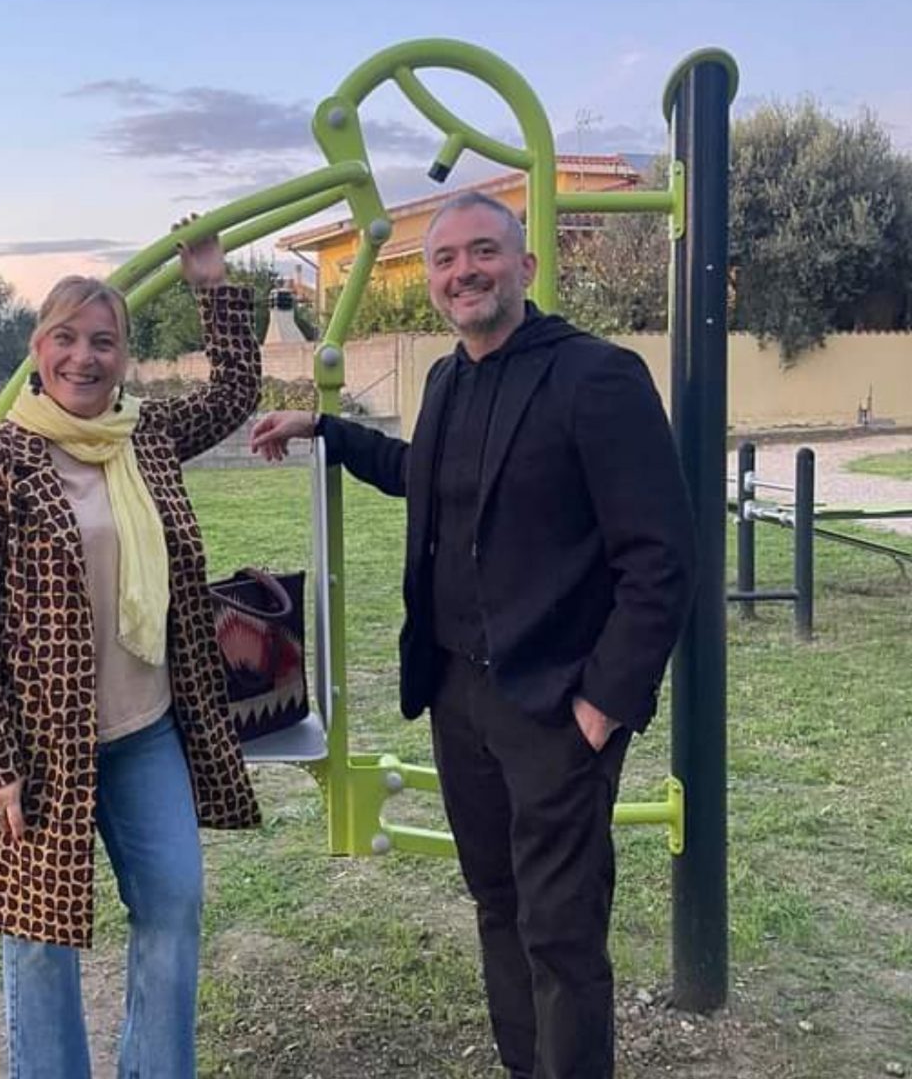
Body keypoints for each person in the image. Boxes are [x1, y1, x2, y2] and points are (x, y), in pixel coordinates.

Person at [247, 192, 694, 1078]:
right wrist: (325, 428)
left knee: (560, 932)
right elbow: (429, 474)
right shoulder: (448, 378)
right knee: (495, 901)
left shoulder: (596, 377)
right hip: (458, 694)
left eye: (482, 252)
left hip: (556, 705)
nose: (463, 273)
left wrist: (604, 704)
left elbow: (662, 559)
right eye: (446, 260)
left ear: (524, 268)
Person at [0, 237, 262, 1079]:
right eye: (67, 338)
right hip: (39, 748)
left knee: (175, 903)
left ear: (124, 358)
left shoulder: (143, 439)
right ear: (38, 352)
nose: (85, 356)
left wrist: (213, 286)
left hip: (146, 729)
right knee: (41, 939)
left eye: (103, 341)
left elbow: (232, 394)